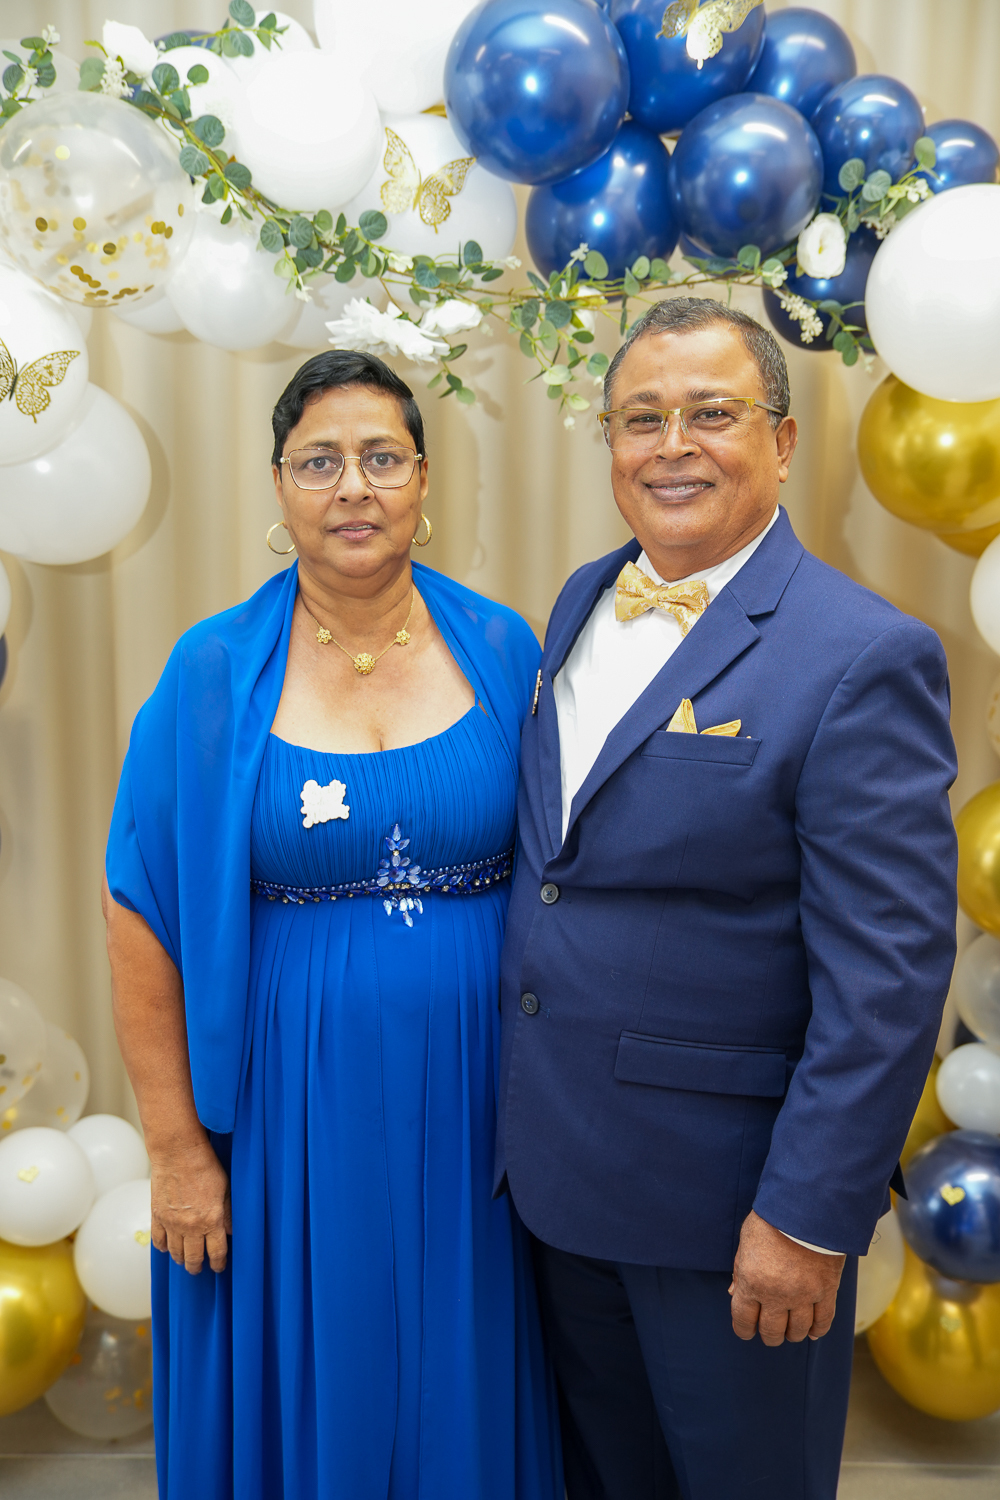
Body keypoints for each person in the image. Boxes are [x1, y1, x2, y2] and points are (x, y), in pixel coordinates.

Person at [496, 298, 958, 1500]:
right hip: (558, 1182)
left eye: (710, 413)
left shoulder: (861, 655)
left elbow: (887, 975)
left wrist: (806, 1218)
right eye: (639, 418)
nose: (672, 446)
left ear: (783, 440)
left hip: (730, 1208)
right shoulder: (581, 600)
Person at [103, 351, 562, 1500]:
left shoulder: (503, 645)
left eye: (381, 457)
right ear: (277, 485)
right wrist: (175, 1152)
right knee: (323, 1365)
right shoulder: (210, 672)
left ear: (422, 481)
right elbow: (141, 908)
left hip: (481, 1100)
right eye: (319, 461)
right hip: (286, 1107)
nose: (352, 485)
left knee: (462, 1363)